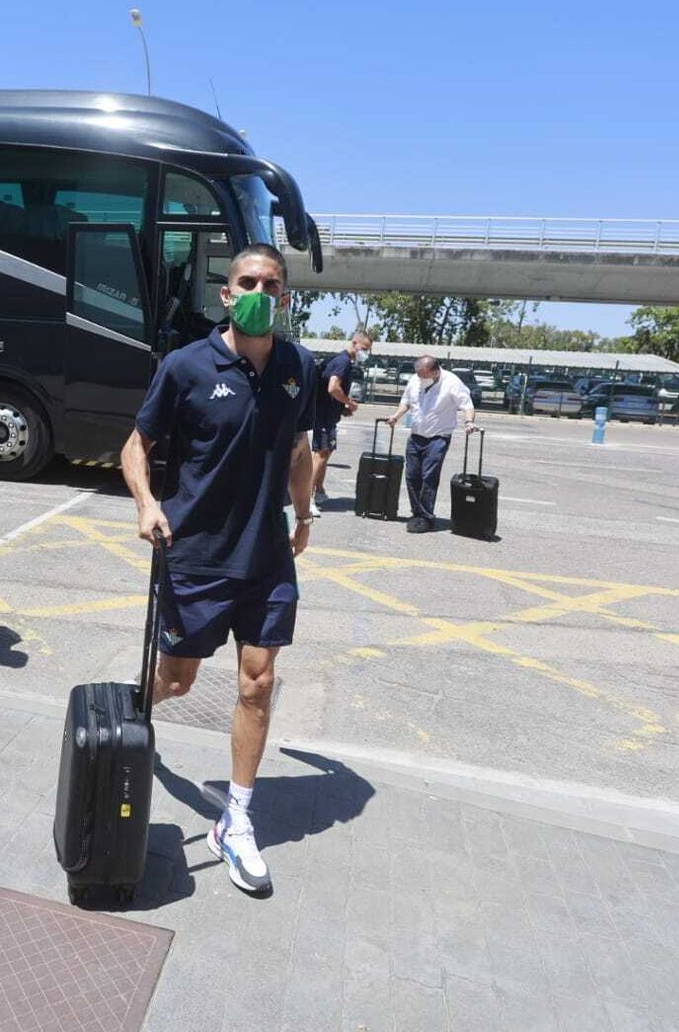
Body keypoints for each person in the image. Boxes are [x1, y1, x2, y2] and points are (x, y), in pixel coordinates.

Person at [121, 242, 315, 895]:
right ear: (227, 294)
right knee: (177, 682)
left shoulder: (298, 366)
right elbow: (135, 445)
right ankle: (136, 708)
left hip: (265, 560)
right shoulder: (186, 366)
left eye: (272, 282)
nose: (260, 290)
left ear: (285, 296)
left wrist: (304, 513)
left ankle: (235, 818)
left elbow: (298, 446)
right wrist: (148, 503)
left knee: (258, 684)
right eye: (247, 281)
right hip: (197, 557)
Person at [385, 355, 478, 533]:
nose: (420, 378)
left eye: (423, 375)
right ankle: (417, 512)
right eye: (418, 374)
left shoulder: (452, 382)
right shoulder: (416, 379)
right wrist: (396, 416)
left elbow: (467, 405)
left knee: (429, 477)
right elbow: (406, 401)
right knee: (412, 476)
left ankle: (426, 517)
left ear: (435, 371)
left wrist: (468, 422)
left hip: (438, 438)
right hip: (416, 436)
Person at [311, 330, 373, 512]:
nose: (365, 353)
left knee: (326, 452)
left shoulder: (342, 360)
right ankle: (307, 498)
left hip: (329, 414)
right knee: (321, 454)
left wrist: (342, 408)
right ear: (354, 343)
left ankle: (319, 490)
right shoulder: (343, 362)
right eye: (364, 348)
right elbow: (332, 387)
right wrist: (349, 402)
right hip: (323, 415)